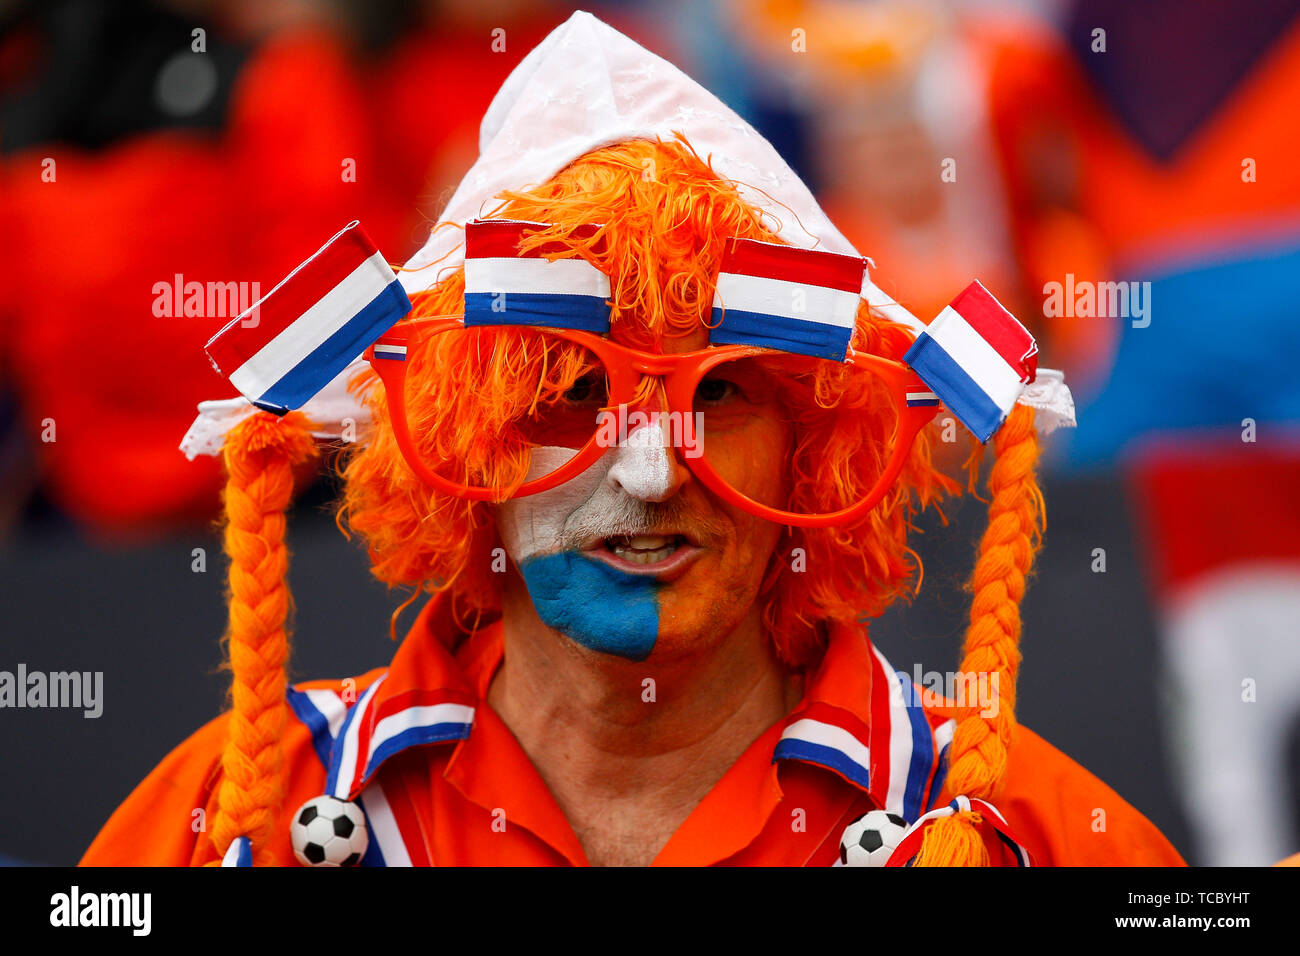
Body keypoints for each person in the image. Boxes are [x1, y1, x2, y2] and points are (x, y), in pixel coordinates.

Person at [81, 11, 1183, 867]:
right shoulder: (232, 816)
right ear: (459, 446)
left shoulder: (1031, 833)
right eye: (569, 391)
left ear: (812, 448)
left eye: (720, 392)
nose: (650, 472)